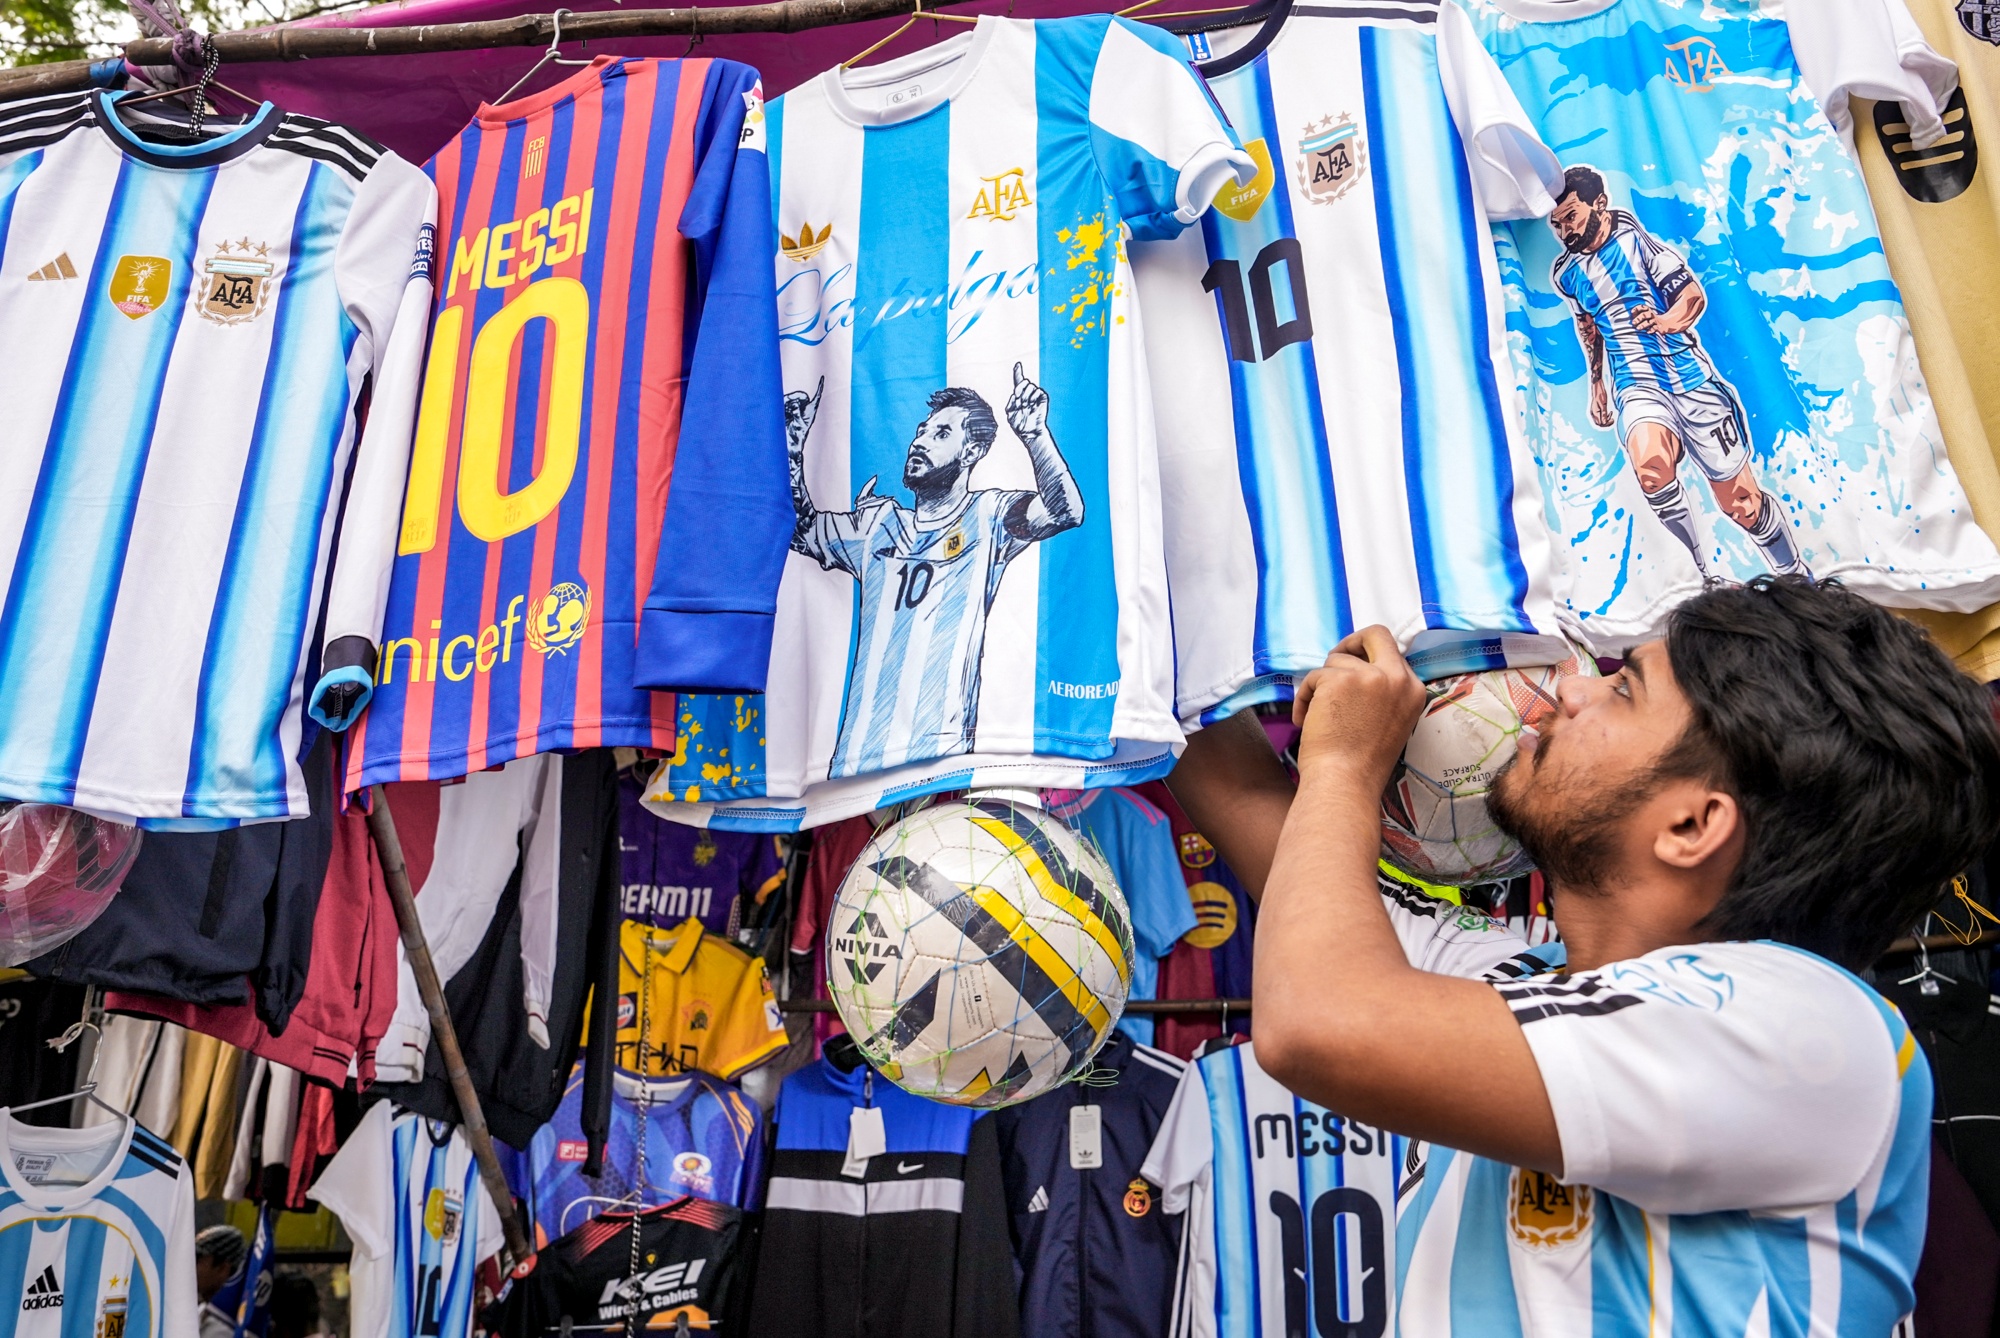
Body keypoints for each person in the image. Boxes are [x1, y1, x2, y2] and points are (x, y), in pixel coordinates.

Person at [1164, 576, 2000, 1334]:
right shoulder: (1530, 985)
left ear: (1692, 825)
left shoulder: (1806, 1029)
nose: (1569, 688)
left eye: (1622, 688)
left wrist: (1346, 762)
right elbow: (1259, 818)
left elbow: (1321, 1023)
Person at [784, 365, 1083, 777]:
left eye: (941, 434)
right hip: (856, 760)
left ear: (972, 453)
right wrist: (792, 450)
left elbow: (1064, 511)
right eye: (921, 432)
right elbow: (798, 530)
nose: (920, 441)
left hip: (945, 760)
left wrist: (1034, 435)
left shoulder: (989, 515)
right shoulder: (876, 524)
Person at [1551, 164, 1807, 583]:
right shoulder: (1568, 274)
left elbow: (1691, 297)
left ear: (1600, 204)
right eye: (1557, 225)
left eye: (1571, 218)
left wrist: (1664, 322)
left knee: (1740, 503)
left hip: (1691, 382)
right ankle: (1706, 573)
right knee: (1651, 468)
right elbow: (1589, 324)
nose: (1565, 231)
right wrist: (1597, 384)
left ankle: (1794, 572)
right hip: (1636, 386)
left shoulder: (1638, 242)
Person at [194, 1224, 247, 1338]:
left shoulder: (229, 1328)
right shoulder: (199, 1312)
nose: (190, 1267)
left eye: (197, 1260)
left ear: (222, 1268)